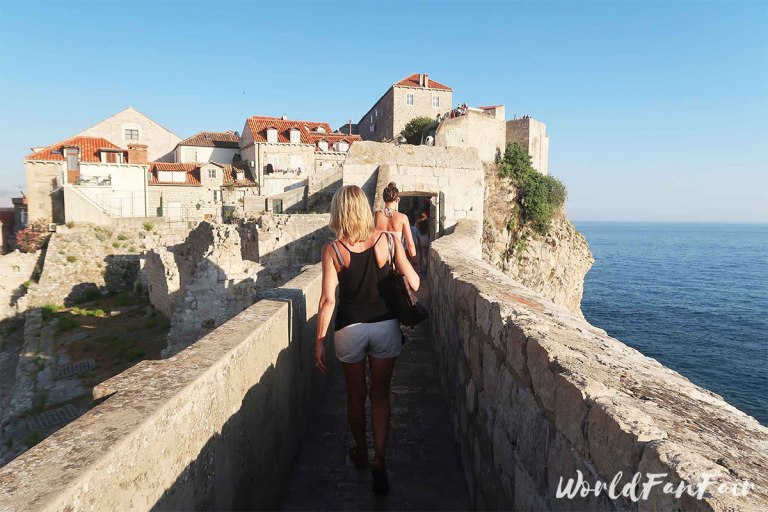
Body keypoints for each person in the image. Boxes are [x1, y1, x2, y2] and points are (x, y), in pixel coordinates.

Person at [315, 185, 419, 495]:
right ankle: (379, 459)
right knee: (381, 397)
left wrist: (319, 340)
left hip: (349, 330)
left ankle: (360, 450)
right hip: (385, 326)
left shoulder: (332, 251)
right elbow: (413, 281)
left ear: (338, 213)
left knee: (354, 396)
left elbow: (327, 301)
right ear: (363, 210)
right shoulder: (387, 239)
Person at [374, 182, 417, 263]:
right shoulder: (403, 218)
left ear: (384, 199)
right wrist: (415, 263)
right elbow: (410, 244)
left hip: (378, 258)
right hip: (396, 259)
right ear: (398, 199)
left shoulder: (375, 215)